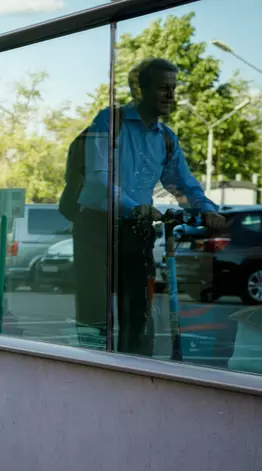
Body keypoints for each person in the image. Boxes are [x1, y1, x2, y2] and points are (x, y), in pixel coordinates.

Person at [73, 57, 225, 355]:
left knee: (139, 313)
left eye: (173, 88)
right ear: (140, 91)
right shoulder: (110, 121)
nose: (170, 96)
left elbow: (183, 184)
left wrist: (206, 208)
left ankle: (135, 373)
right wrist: (134, 206)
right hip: (96, 227)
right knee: (95, 313)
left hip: (136, 229)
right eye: (163, 89)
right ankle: (89, 368)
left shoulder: (166, 139)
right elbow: (100, 176)